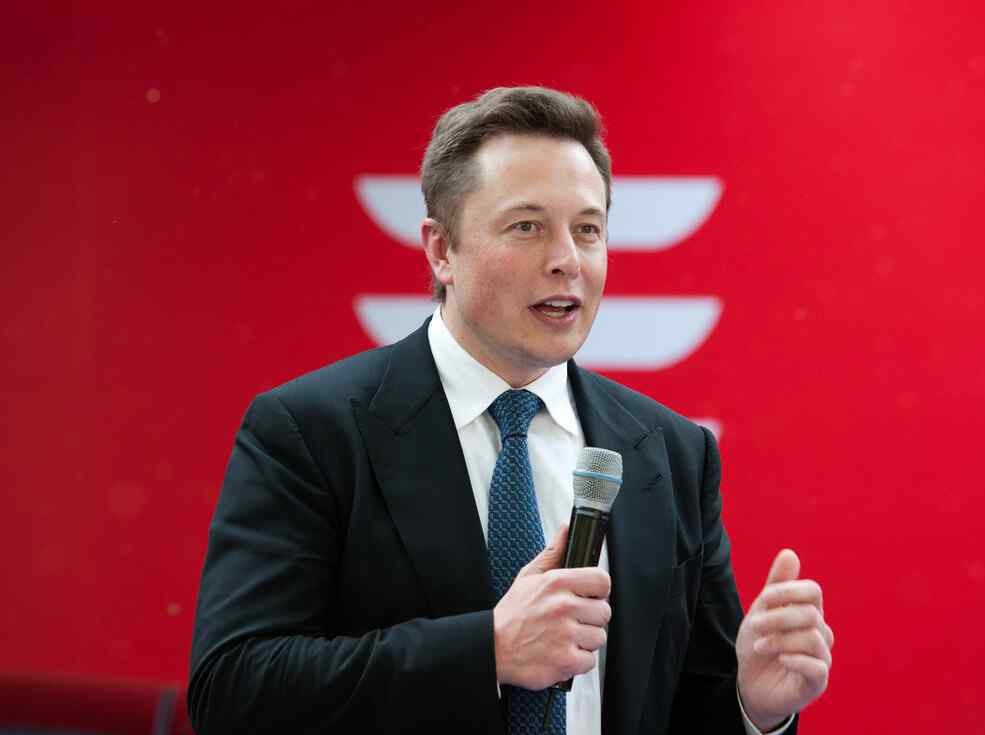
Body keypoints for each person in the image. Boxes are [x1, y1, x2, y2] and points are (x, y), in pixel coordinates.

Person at [188, 86, 833, 734]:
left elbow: (686, 707)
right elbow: (233, 689)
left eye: (587, 230)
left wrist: (754, 707)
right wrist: (489, 650)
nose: (566, 261)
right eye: (527, 226)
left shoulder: (671, 453)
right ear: (442, 250)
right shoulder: (312, 431)